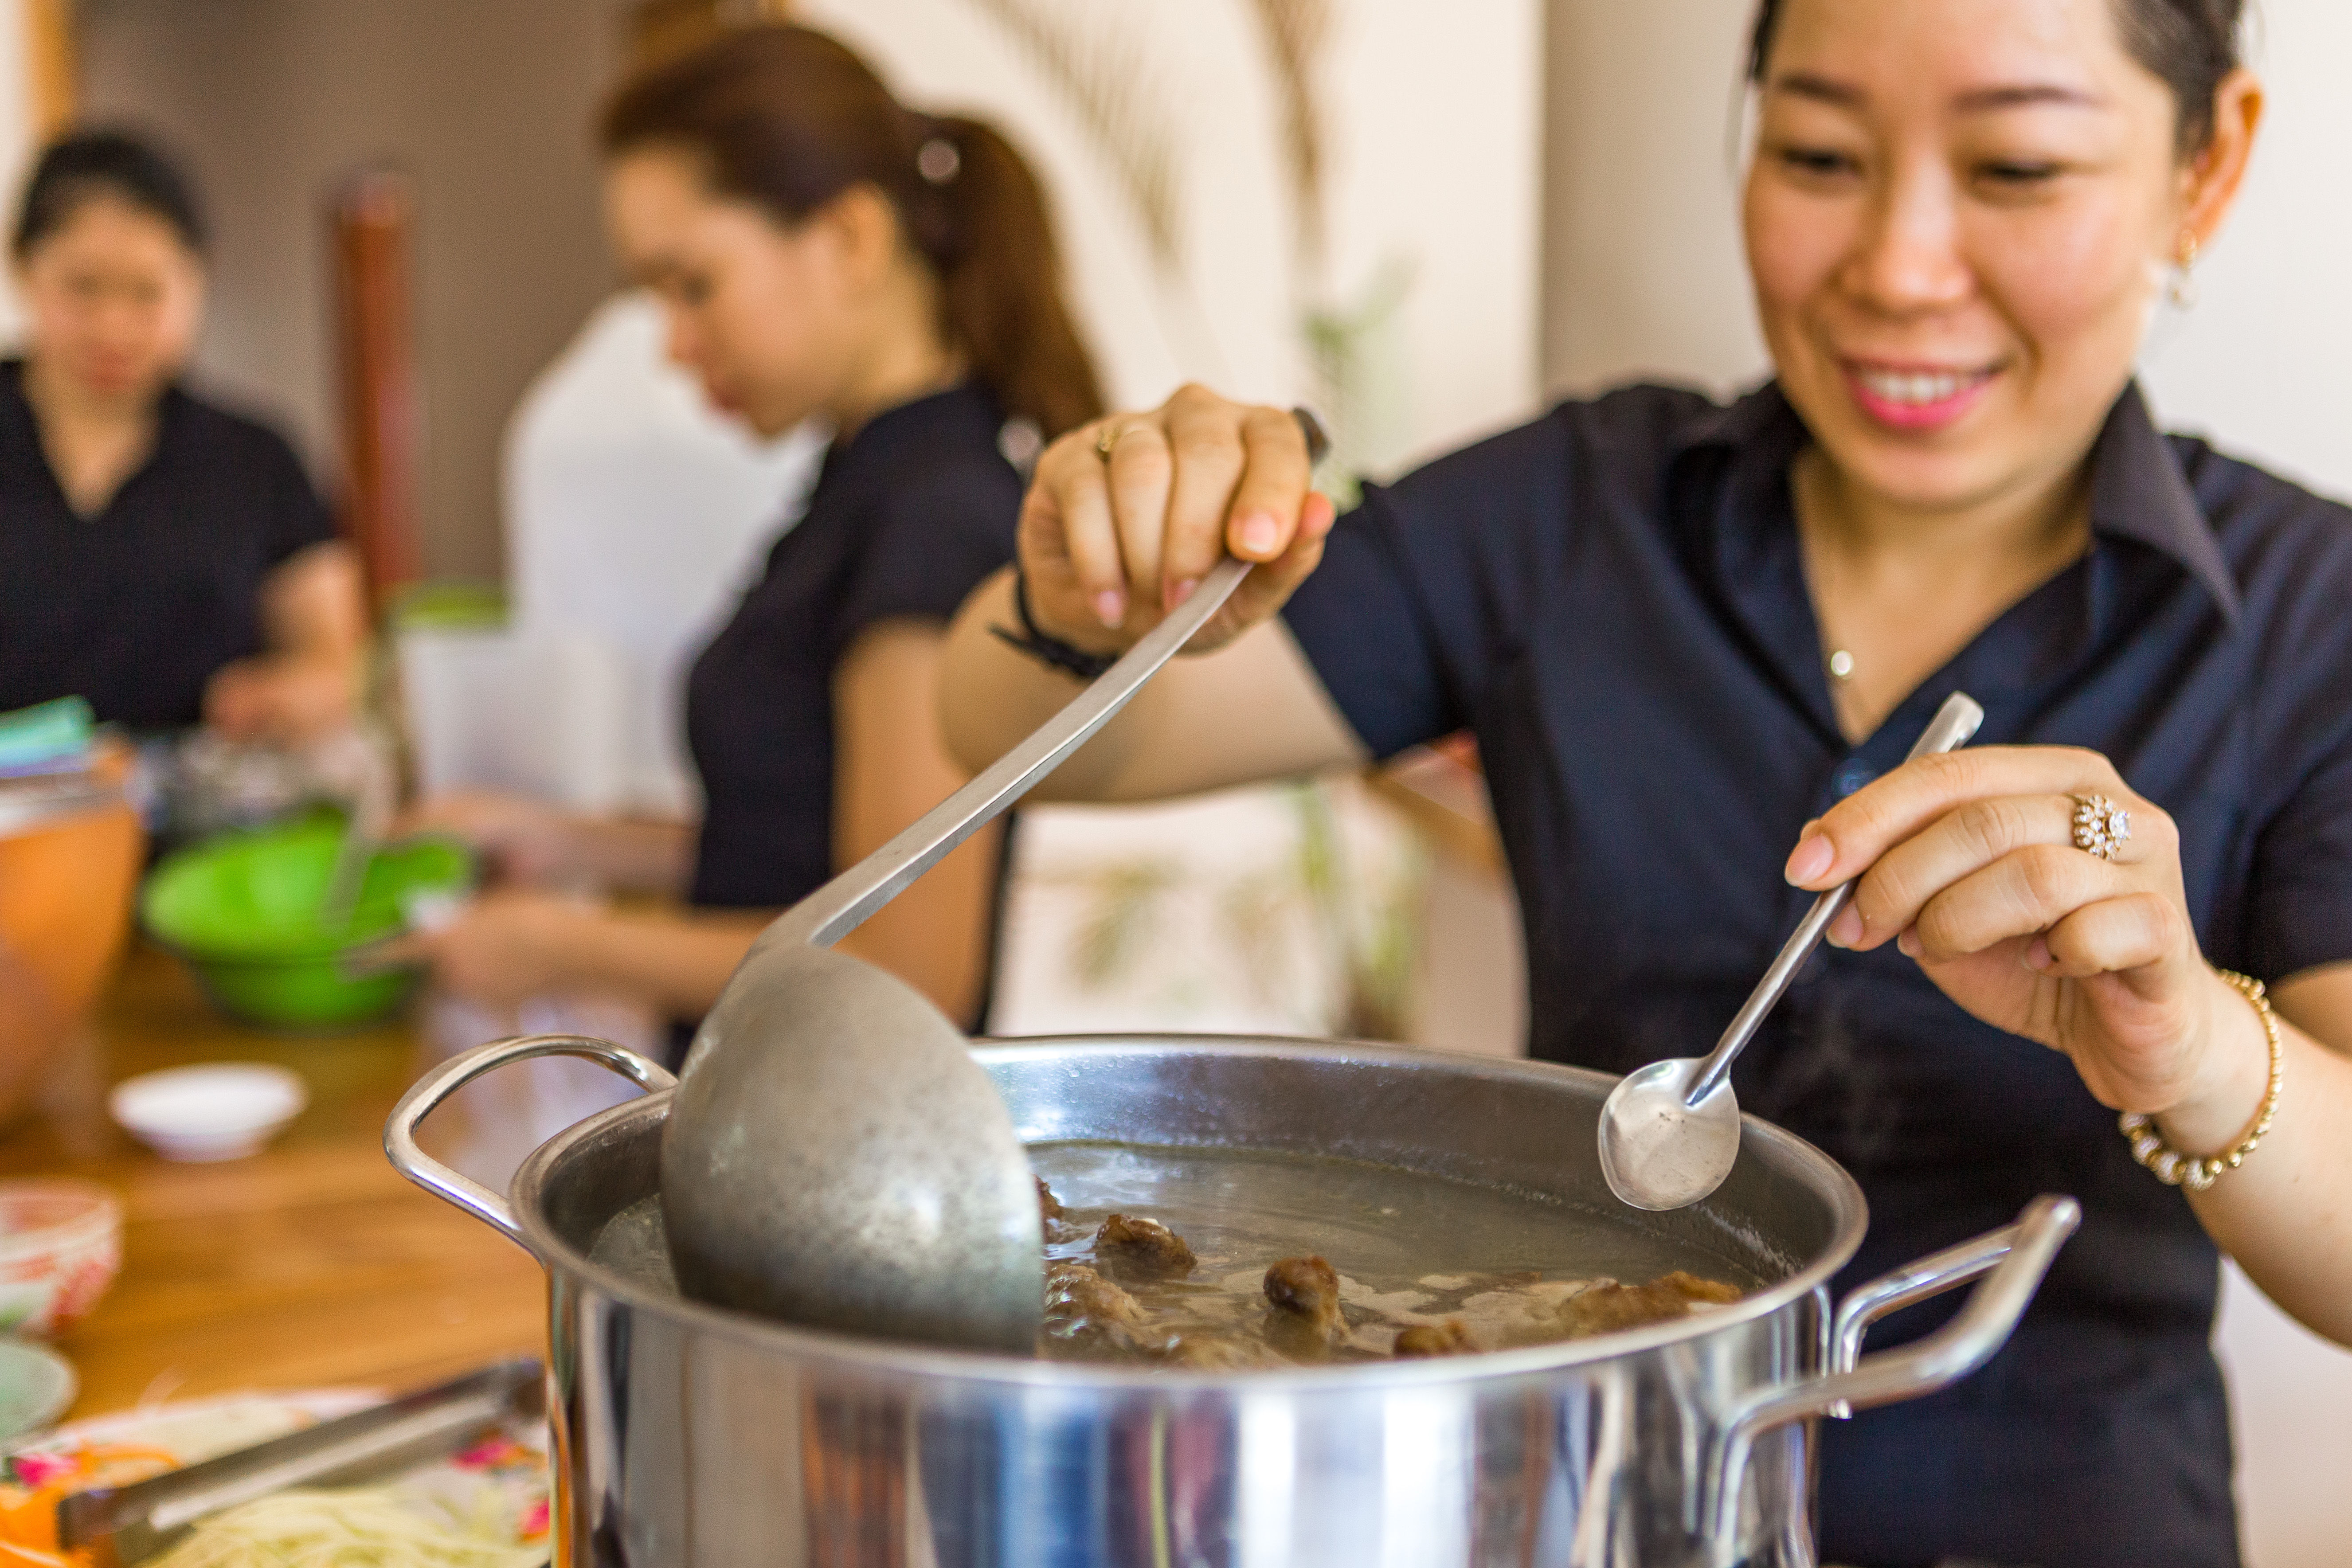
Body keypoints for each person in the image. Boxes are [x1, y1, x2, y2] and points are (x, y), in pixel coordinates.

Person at [939, 0, 2352, 1562]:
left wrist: (2195, 1044)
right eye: (1817, 152)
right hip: (1587, 1509)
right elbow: (1042, 732)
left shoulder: (2308, 613)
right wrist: (1089, 587)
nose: (1894, 265)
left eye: (2013, 166)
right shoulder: (1576, 511)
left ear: (2202, 166)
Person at [398, 24, 1103, 1032]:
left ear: (852, 239)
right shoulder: (868, 479)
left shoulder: (933, 519)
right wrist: (565, 842)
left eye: (693, 285)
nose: (674, 347)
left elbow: (901, 969)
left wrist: (555, 944)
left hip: (844, 1171)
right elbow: (794, 851)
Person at [0, 130, 364, 743]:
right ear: (24, 266)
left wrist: (293, 692)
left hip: (214, 817)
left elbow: (335, 659)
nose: (113, 326)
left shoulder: (257, 458)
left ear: (198, 280)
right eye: (83, 288)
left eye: (147, 293)